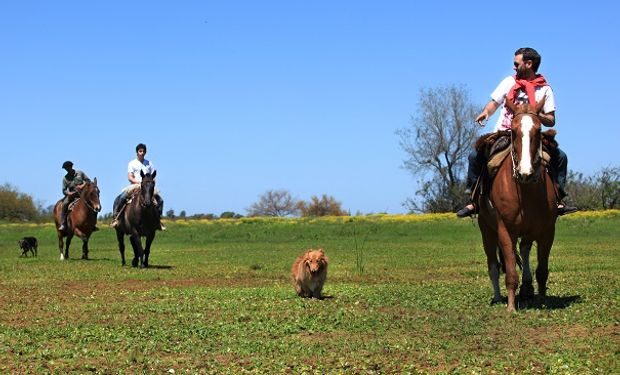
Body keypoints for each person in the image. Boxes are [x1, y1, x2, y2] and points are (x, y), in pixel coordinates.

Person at [456, 47, 577, 218]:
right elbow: (494, 102)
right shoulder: (508, 82)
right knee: (474, 156)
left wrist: (536, 114)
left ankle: (557, 199)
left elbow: (551, 120)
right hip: (504, 133)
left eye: (516, 63)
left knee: (561, 157)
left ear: (528, 64)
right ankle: (474, 201)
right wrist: (486, 112)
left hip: (531, 135)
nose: (513, 67)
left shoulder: (545, 89)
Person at [111, 143, 165, 230]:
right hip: (135, 185)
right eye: (140, 151)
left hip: (147, 186)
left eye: (143, 151)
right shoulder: (132, 163)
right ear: (137, 152)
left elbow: (153, 177)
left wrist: (150, 184)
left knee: (160, 200)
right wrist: (139, 182)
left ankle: (158, 221)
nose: (142, 153)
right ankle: (116, 218)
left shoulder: (149, 163)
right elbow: (130, 177)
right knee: (121, 198)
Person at [58, 161, 90, 231]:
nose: (67, 170)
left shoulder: (80, 173)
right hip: (72, 195)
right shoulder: (65, 178)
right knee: (64, 204)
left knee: (92, 202)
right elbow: (64, 190)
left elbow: (88, 181)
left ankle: (93, 223)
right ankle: (63, 223)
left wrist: (82, 185)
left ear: (71, 167)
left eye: (67, 168)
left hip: (82, 194)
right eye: (65, 169)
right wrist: (68, 193)